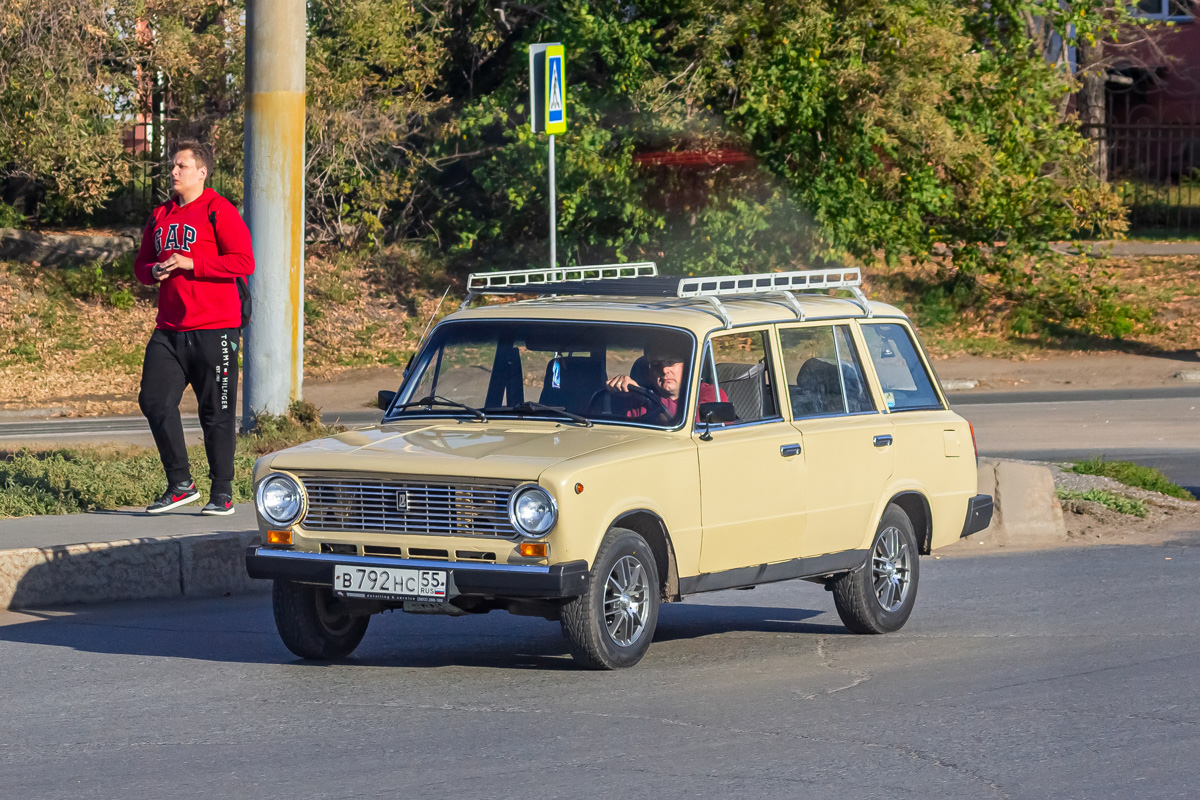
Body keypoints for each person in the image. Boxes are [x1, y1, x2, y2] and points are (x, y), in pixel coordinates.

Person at [134, 139, 255, 516]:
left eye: (181, 166)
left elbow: (243, 261)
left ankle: (222, 492)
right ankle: (181, 484)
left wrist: (193, 264)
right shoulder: (159, 215)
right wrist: (153, 271)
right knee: (154, 401)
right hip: (169, 329)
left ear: (202, 172)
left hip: (215, 328)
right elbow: (141, 265)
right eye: (173, 165)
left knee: (215, 412)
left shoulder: (219, 210)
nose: (174, 172)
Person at [606, 341, 727, 422]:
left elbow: (689, 426)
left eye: (671, 362)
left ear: (688, 366)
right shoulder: (637, 400)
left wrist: (648, 400)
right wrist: (617, 394)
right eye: (656, 364)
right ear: (649, 371)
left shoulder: (711, 394)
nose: (664, 370)